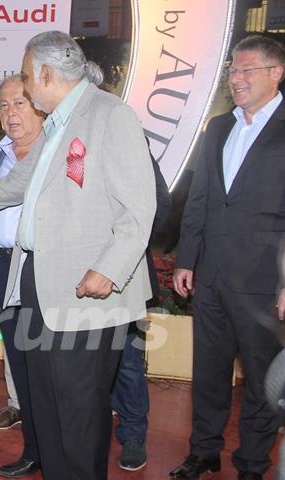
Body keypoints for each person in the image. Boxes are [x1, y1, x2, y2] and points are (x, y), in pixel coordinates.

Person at [0, 31, 155, 480]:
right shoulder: (57, 124)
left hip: (87, 292)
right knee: (45, 410)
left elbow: (139, 208)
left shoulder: (110, 115)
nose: (25, 88)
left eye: (28, 77)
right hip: (37, 284)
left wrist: (108, 268)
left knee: (80, 416)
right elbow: (13, 186)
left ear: (46, 73)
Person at [169, 35, 285, 480]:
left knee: (259, 380)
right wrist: (185, 258)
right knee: (209, 372)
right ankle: (203, 451)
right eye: (232, 71)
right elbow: (200, 199)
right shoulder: (219, 127)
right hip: (212, 274)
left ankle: (253, 463)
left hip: (263, 279)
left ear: (275, 73)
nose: (235, 79)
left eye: (246, 70)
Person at [0, 74, 44, 478]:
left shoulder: (55, 152)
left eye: (20, 103)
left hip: (41, 267)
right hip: (3, 267)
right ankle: (34, 449)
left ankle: (54, 449)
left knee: (46, 370)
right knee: (18, 363)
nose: (10, 113)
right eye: (4, 104)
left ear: (38, 106)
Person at [110, 140, 172, 472]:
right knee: (87, 357)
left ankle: (133, 435)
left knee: (127, 359)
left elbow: (160, 203)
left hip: (127, 270)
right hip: (76, 270)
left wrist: (129, 246)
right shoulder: (67, 134)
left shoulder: (128, 135)